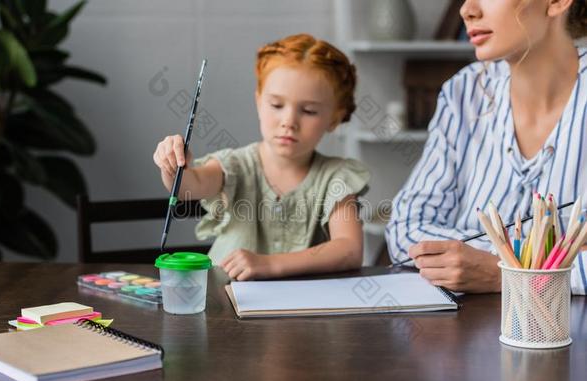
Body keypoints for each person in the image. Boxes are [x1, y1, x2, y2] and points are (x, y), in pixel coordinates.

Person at [386, 0, 587, 293]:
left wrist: (501, 274)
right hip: (462, 330)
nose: (467, 10)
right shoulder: (464, 92)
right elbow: (405, 230)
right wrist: (556, 259)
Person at [153, 34, 370, 281]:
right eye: (277, 105)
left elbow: (349, 249)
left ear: (334, 118)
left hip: (301, 311)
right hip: (224, 303)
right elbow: (188, 187)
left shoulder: (336, 177)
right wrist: (173, 165)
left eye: (308, 111)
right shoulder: (236, 165)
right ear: (259, 102)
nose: (289, 122)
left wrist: (270, 264)